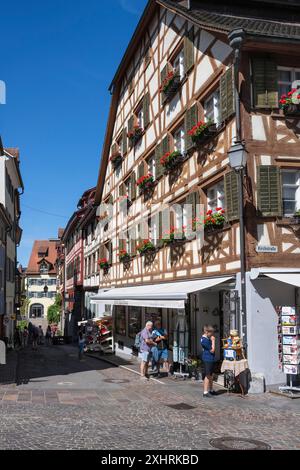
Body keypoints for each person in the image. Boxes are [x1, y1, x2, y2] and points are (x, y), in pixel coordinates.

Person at [201, 325, 217, 398]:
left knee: (210, 375)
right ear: (207, 332)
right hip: (207, 359)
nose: (212, 334)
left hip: (210, 358)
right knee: (207, 375)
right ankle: (205, 392)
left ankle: (211, 389)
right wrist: (213, 341)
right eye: (211, 333)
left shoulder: (207, 338)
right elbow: (212, 350)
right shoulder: (204, 340)